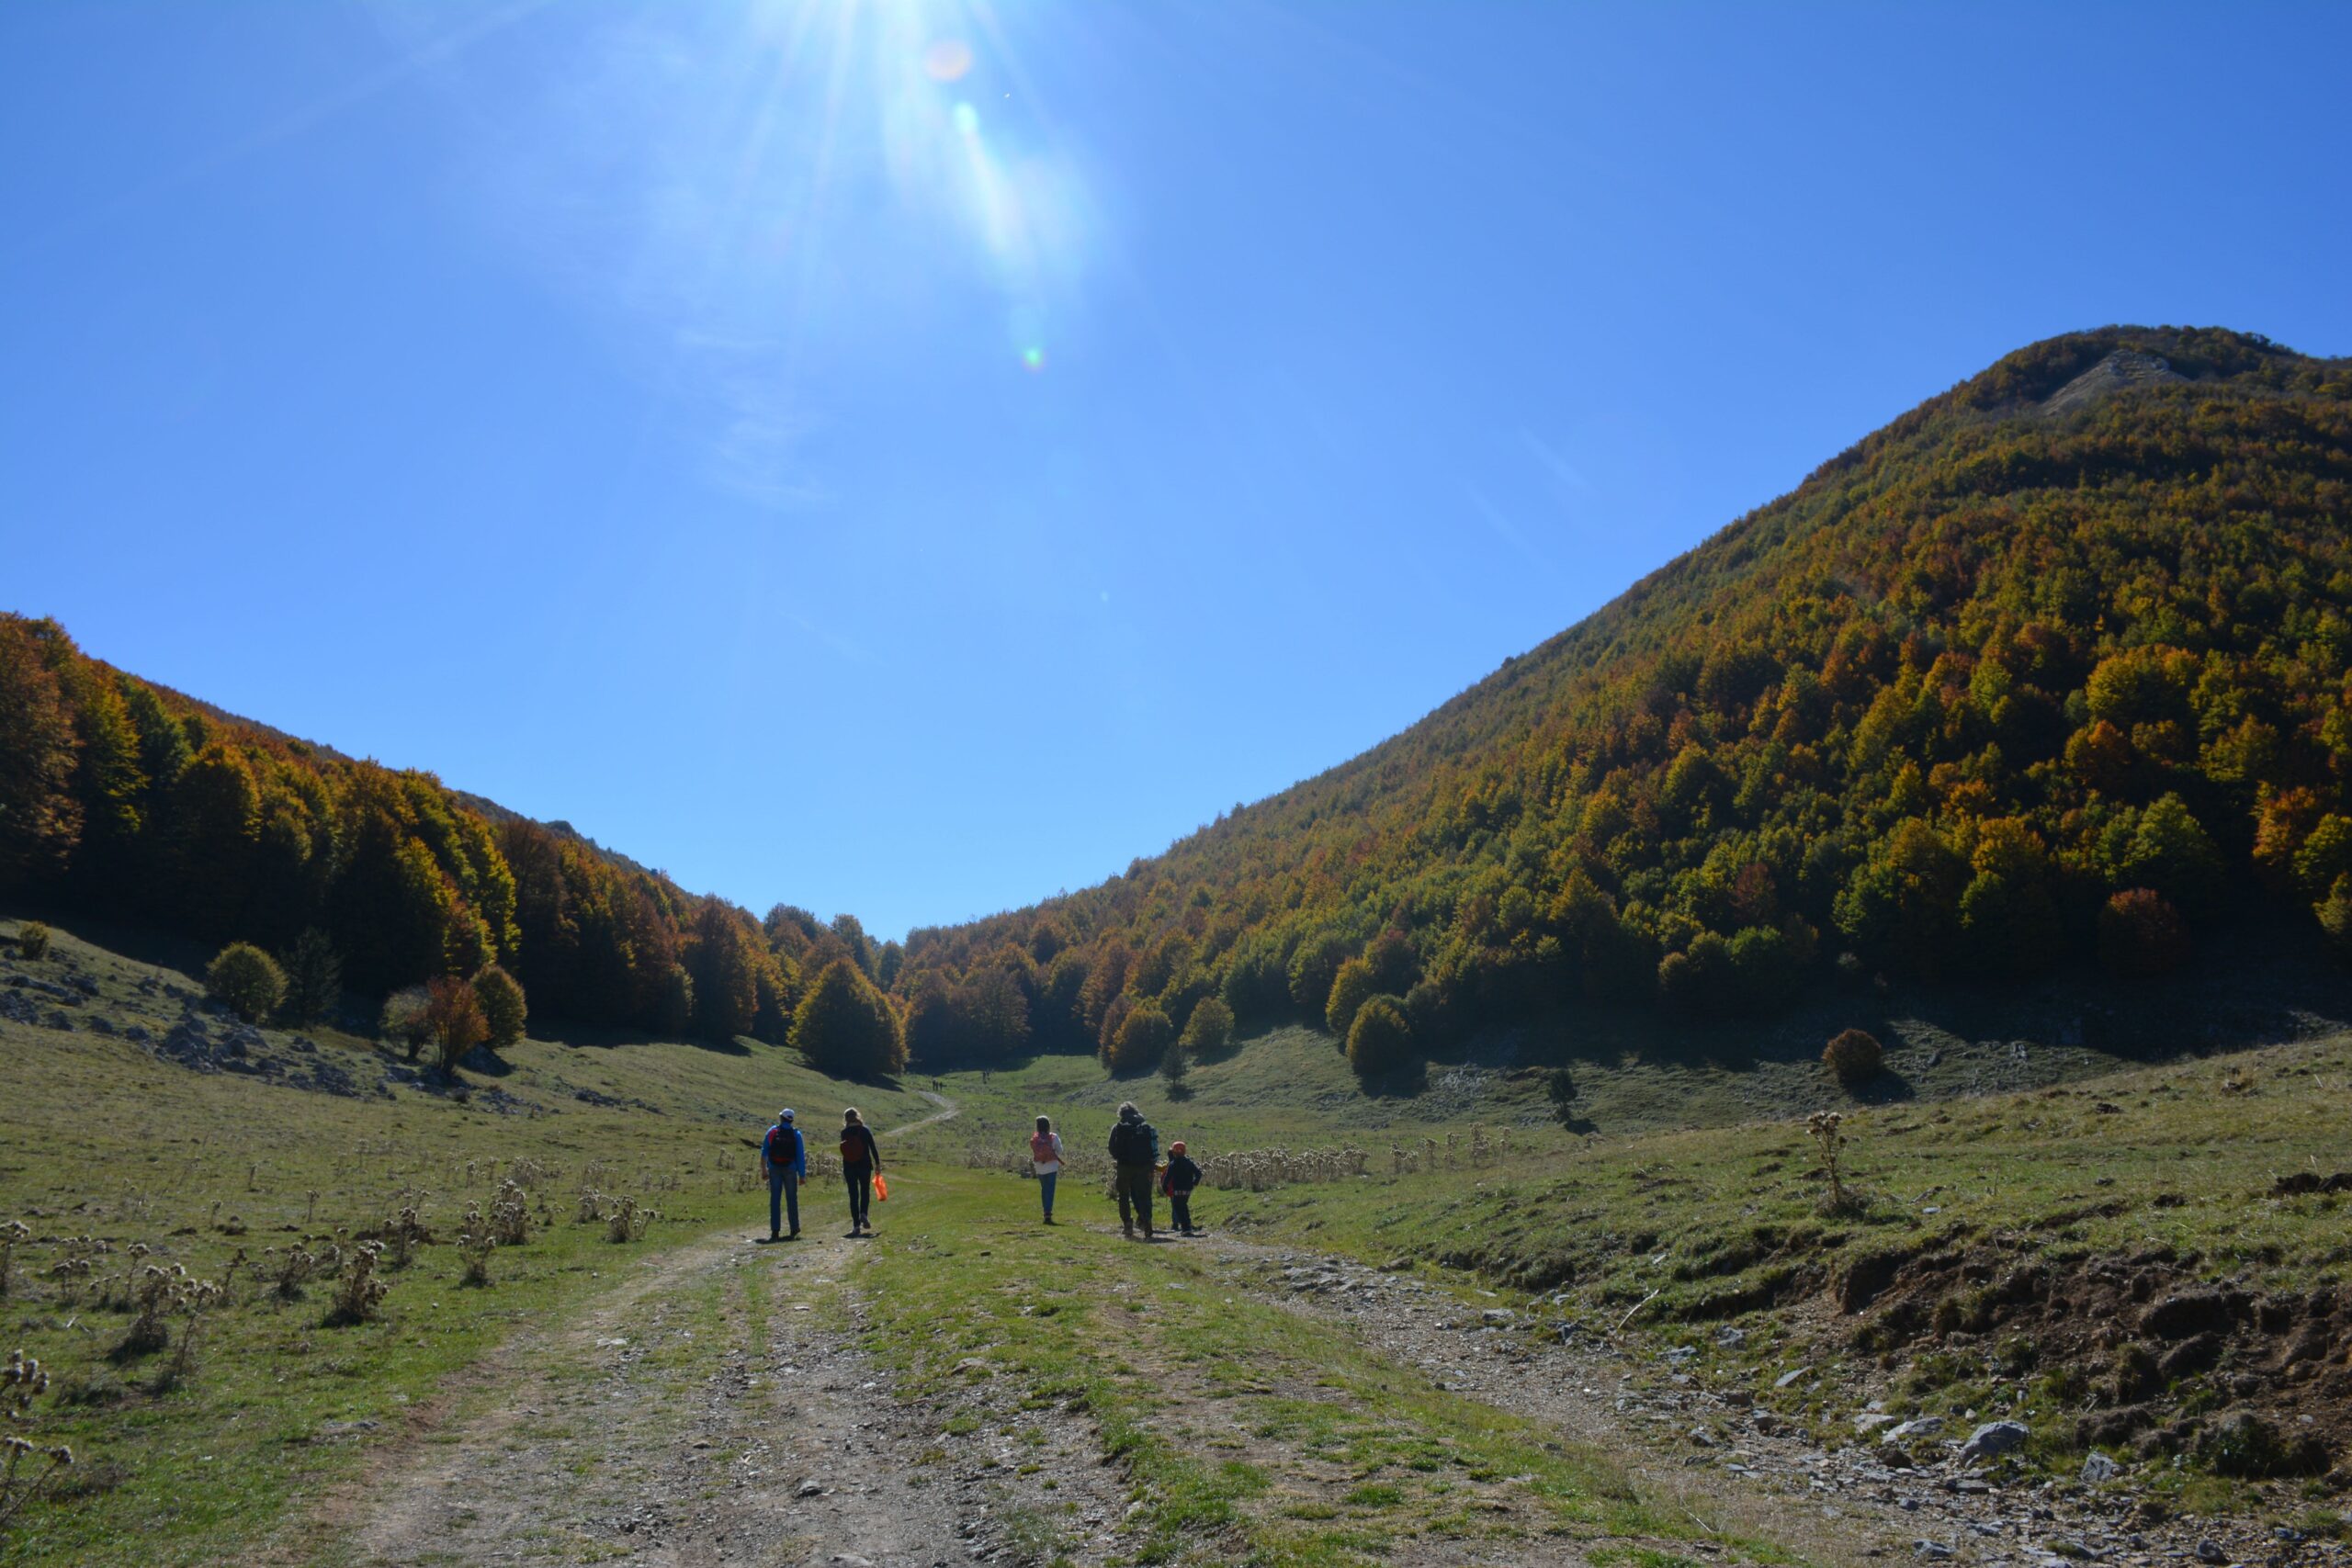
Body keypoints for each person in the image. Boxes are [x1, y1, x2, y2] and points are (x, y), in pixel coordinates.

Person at [1107, 1100, 1159, 1239]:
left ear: (1121, 1113)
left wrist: (1119, 1158)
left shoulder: (1118, 1127)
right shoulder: (1145, 1126)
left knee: (1123, 1196)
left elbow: (1111, 1148)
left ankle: (1127, 1224)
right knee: (1144, 1196)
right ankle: (1147, 1221)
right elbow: (1153, 1147)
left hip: (1124, 1166)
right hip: (1144, 1166)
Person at [761, 1108, 806, 1241]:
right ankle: (794, 1228)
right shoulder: (796, 1134)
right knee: (792, 1198)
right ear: (791, 1120)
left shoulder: (772, 1131)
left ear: (781, 1118)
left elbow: (764, 1152)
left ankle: (775, 1230)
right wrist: (802, 1175)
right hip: (790, 1169)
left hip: (774, 1168)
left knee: (775, 1199)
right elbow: (800, 1156)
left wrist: (764, 1170)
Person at [839, 1107, 882, 1236]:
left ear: (846, 1118)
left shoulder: (844, 1132)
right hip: (864, 1165)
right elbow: (873, 1148)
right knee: (865, 1191)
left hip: (849, 1166)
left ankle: (856, 1226)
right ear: (858, 1116)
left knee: (853, 1195)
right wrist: (877, 1164)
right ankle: (864, 1214)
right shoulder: (865, 1131)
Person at [1029, 1115, 1065, 1224]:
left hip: (1039, 1167)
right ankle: (1048, 1213)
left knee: (1044, 1189)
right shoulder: (1053, 1137)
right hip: (1052, 1166)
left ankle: (1046, 1211)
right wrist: (1052, 1155)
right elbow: (1060, 1150)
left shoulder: (1035, 1138)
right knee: (1050, 1190)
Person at [1162, 1140, 1203, 1235]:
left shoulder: (1173, 1164)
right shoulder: (1189, 1162)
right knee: (1184, 1206)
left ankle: (1186, 1228)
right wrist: (1195, 1183)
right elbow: (1198, 1173)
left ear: (1174, 1152)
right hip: (1188, 1190)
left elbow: (1167, 1177)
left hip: (1177, 1190)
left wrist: (1165, 1187)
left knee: (1178, 1207)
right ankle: (1187, 1226)